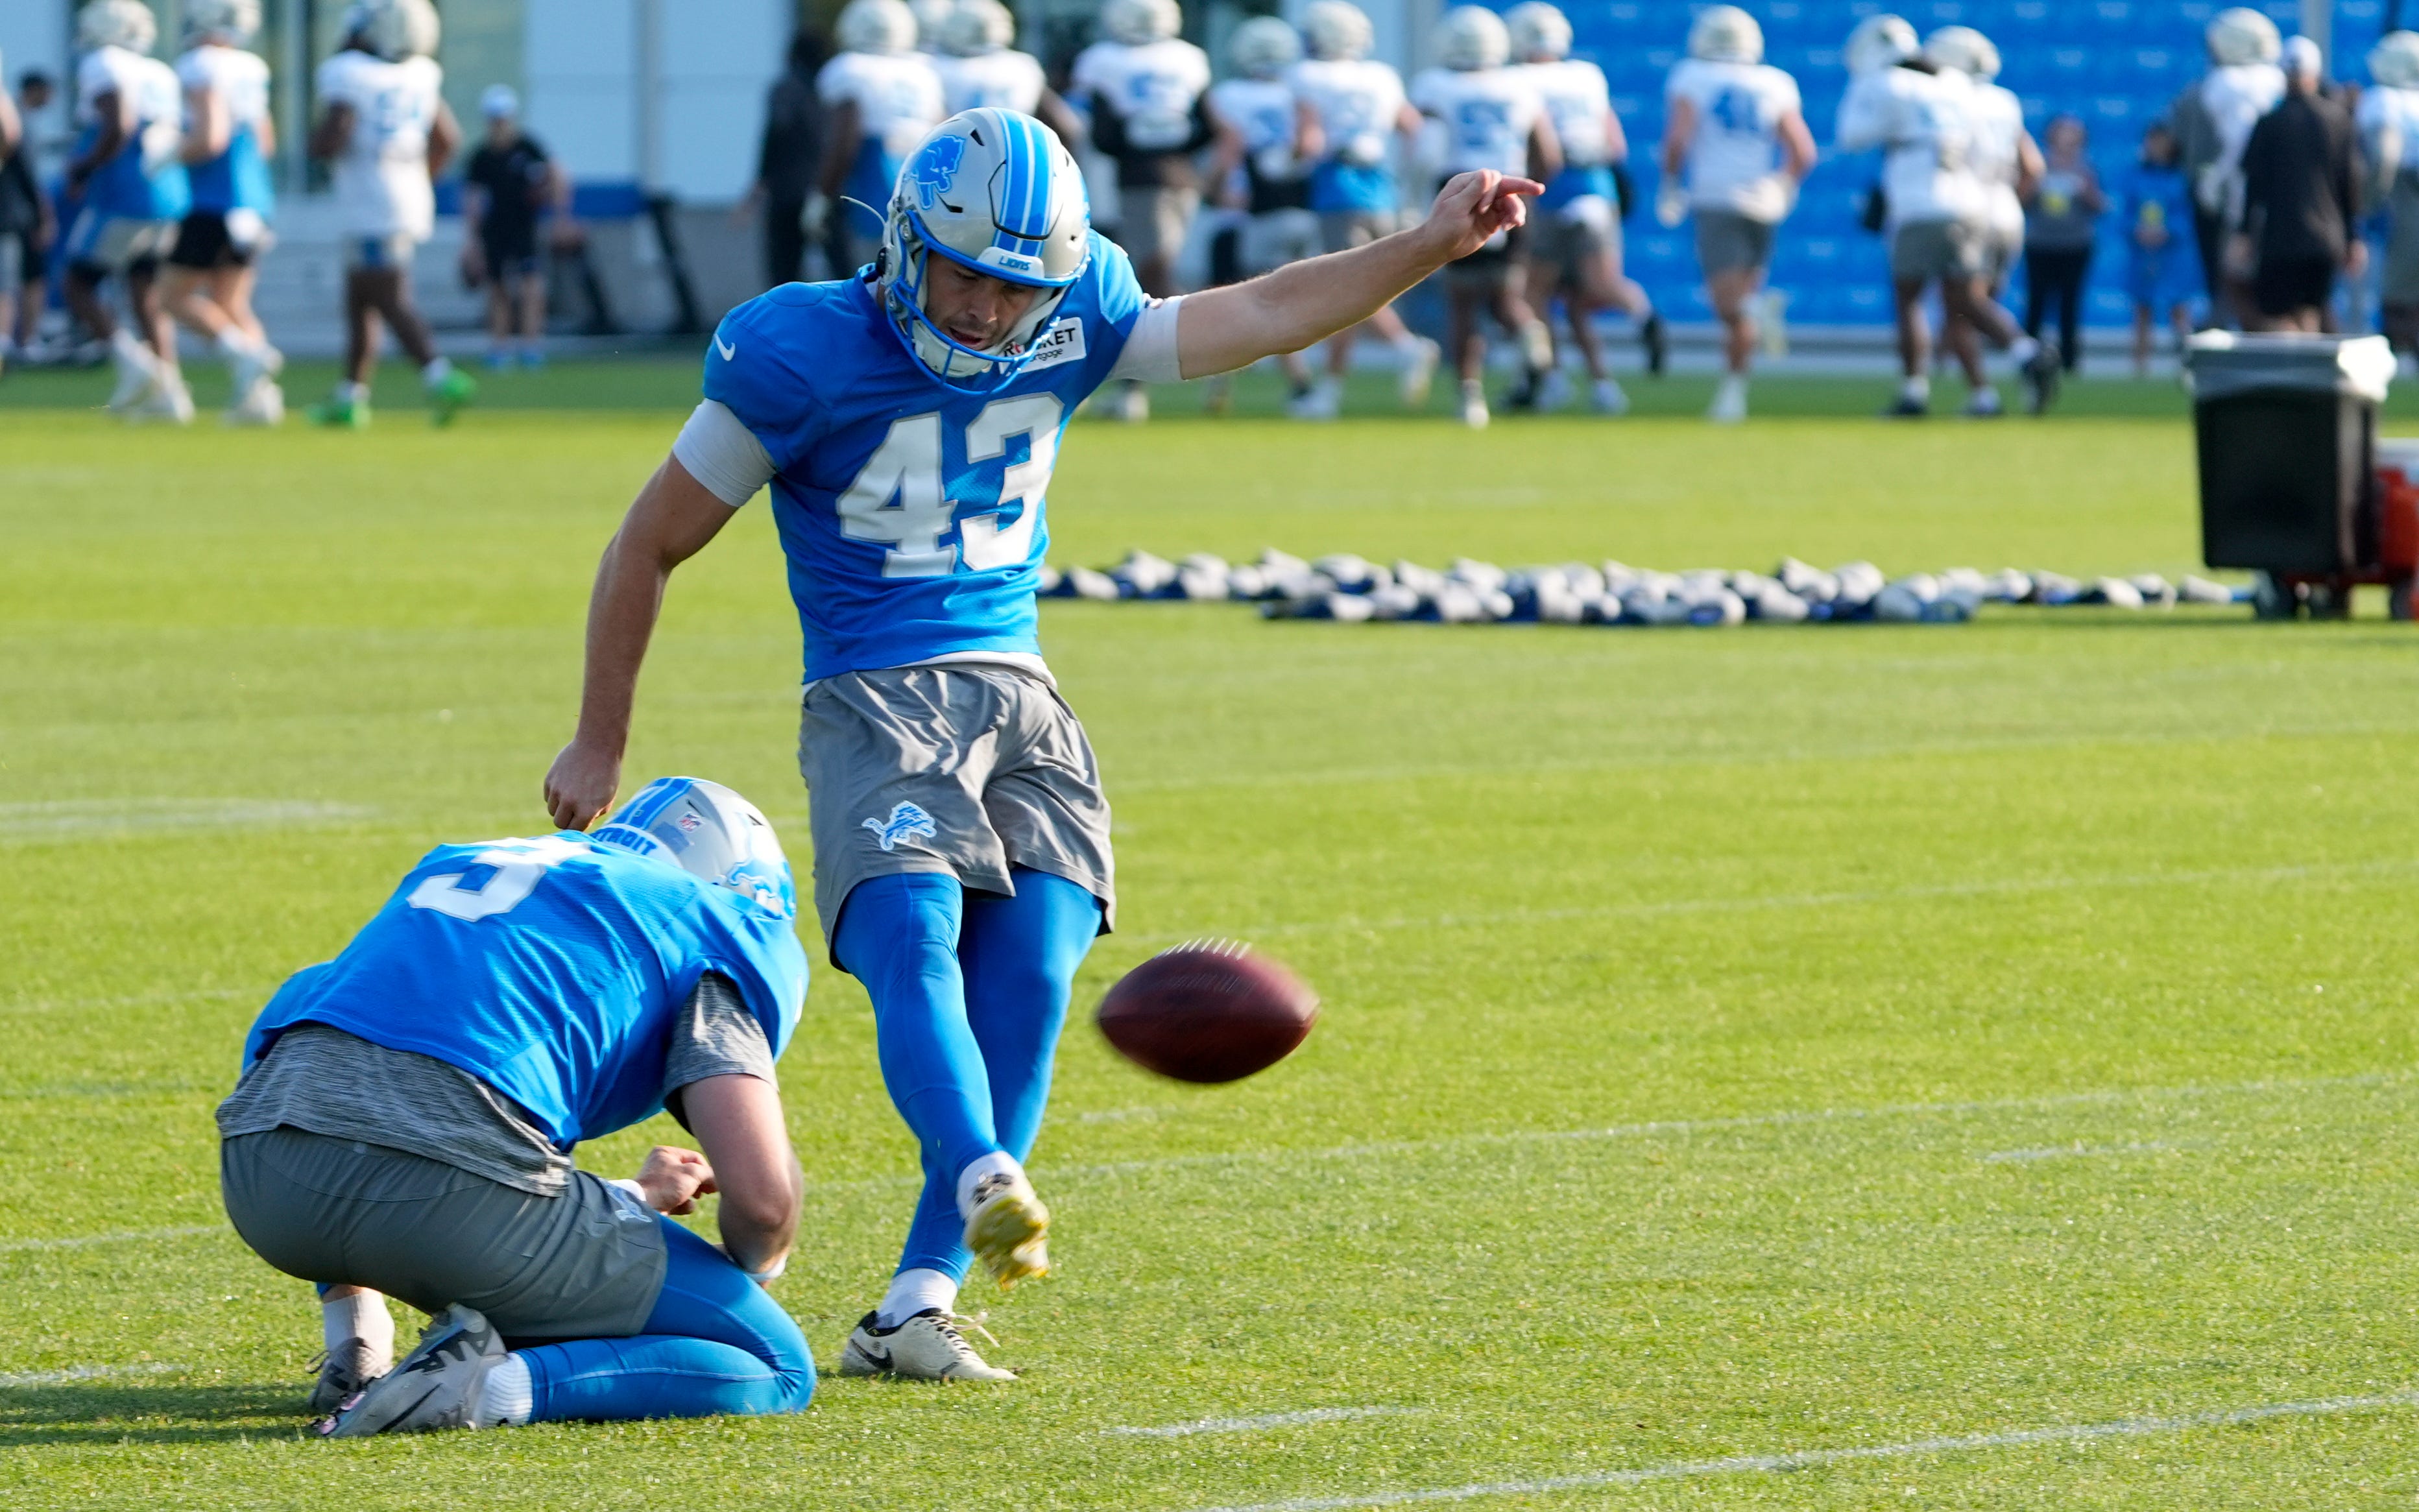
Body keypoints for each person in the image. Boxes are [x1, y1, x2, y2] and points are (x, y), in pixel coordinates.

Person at [539, 105, 1538, 1378]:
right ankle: (978, 1166)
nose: (984, 309)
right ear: (904, 244)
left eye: (1015, 286)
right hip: (876, 687)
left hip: (1022, 685)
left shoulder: (1075, 305)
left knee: (1039, 964)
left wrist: (1425, 245)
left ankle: (914, 1302)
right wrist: (598, 738)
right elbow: (650, 541)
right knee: (908, 934)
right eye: (963, 272)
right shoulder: (798, 349)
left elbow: (1263, 311)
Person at [218, 778, 813, 1435]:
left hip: (263, 1182)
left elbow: (296, 1043)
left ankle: (356, 1353)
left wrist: (352, 1320)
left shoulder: (472, 866)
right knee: (773, 1362)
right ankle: (481, 1388)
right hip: (446, 1204)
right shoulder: (706, 918)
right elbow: (764, 1202)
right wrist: (757, 1267)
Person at [1835, 14, 2054, 418]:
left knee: (1913, 299)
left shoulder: (1900, 86)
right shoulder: (1975, 94)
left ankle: (1916, 391)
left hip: (1927, 203)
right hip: (1978, 204)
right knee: (1964, 303)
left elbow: (1851, 136)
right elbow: (2015, 160)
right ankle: (2004, 375)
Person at [306, 0, 475, 428]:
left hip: (371, 200)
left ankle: (440, 375)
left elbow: (336, 133)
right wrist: (416, 176)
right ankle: (350, 396)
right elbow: (447, 140)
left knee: (387, 295)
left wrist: (317, 144)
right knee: (360, 296)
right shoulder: (419, 74)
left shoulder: (350, 72)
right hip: (402, 195)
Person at [1661, 3, 1812, 424]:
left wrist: (1671, 184)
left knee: (1727, 305)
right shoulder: (1775, 82)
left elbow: (1677, 140)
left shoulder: (1692, 76)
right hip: (1763, 202)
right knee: (1738, 306)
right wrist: (1781, 186)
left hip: (1718, 198)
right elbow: (1803, 152)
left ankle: (1755, 313)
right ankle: (1732, 396)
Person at [1511, 0, 1662, 416]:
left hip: (1550, 188)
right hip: (1597, 184)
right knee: (1590, 291)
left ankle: (1550, 376)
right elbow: (1616, 143)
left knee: (1533, 293)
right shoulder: (1587, 75)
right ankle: (1635, 324)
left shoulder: (1519, 79)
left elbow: (1538, 147)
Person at [1287, 0, 1438, 418]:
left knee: (1348, 289)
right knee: (1356, 288)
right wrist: (1412, 188)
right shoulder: (1381, 77)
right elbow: (1415, 132)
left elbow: (1310, 140)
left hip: (1339, 187)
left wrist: (1289, 159)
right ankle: (1333, 390)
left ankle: (1405, 348)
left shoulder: (1309, 76)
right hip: (1381, 188)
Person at [1412, 5, 1558, 429]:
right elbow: (1548, 154)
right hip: (1509, 196)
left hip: (1460, 195)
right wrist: (1527, 196)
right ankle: (1528, 331)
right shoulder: (1520, 87)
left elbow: (1426, 153)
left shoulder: (1436, 86)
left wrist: (1421, 198)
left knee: (1462, 304)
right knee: (1505, 295)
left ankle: (1470, 396)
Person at [1071, 0, 1212, 424]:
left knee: (1147, 278)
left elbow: (1102, 135)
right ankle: (1147, 380)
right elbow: (1204, 125)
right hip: (1181, 177)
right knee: (1154, 273)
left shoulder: (1104, 61)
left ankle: (1145, 383)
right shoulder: (1189, 59)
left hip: (1136, 179)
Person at [64, 0, 193, 422]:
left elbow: (118, 123)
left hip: (125, 194)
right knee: (145, 295)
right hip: (169, 194)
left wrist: (83, 166)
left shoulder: (104, 62)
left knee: (77, 285)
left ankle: (135, 364)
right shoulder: (160, 71)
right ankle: (171, 394)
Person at [165, 0, 281, 424]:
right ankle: (261, 402)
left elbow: (209, 138)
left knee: (172, 297)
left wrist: (167, 154)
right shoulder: (252, 67)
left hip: (214, 200)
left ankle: (249, 357)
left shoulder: (201, 63)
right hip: (255, 201)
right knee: (233, 304)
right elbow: (266, 142)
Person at [1203, 16, 1319, 414]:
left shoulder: (1229, 94)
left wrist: (1212, 187)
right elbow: (1310, 146)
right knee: (1274, 295)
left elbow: (1228, 148)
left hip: (1241, 208)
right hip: (1285, 204)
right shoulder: (1296, 95)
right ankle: (1293, 381)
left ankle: (1222, 379)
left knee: (1230, 297)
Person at [1928, 25, 2040, 409]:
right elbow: (2033, 167)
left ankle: (2024, 357)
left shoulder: (1950, 99)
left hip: (1966, 209)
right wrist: (2011, 201)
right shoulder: (2004, 100)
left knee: (1959, 304)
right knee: (1973, 305)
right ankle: (1986, 393)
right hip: (2006, 209)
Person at [2233, 35, 2362, 333]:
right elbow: (2350, 184)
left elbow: (2255, 186)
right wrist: (2354, 236)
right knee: (2314, 312)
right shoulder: (2339, 121)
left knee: (2279, 316)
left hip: (2280, 238)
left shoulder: (2269, 123)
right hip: (2327, 238)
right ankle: (2314, 375)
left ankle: (2291, 376)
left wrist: (2244, 233)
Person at [818, 0, 945, 281]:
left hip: (873, 173)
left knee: (871, 274)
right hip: (925, 174)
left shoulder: (849, 68)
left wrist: (823, 195)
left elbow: (845, 139)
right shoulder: (924, 71)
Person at [2177, 8, 2285, 328]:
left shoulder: (2219, 84)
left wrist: (2211, 186)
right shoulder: (2280, 82)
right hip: (2278, 200)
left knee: (2228, 278)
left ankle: (2224, 333)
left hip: (2229, 195)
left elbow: (2214, 150)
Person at [461, 86, 570, 371]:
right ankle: (500, 346)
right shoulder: (481, 157)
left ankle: (531, 346)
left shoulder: (528, 148)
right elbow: (472, 200)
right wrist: (472, 241)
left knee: (531, 285)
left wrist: (561, 217)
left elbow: (557, 176)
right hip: (495, 229)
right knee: (498, 288)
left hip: (525, 228)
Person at [933, 0, 1083, 144]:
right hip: (1016, 154)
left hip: (957, 155)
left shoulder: (934, 67)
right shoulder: (1022, 66)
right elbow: (1067, 127)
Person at [2021, 114, 2102, 374]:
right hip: (2041, 245)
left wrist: (2086, 191)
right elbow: (2022, 201)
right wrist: (2033, 184)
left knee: (2070, 304)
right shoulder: (2037, 166)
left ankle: (2069, 361)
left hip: (2075, 246)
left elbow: (2100, 206)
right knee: (2036, 304)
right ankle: (2027, 358)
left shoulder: (2086, 168)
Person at [2121, 119, 2201, 377]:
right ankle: (2140, 366)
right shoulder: (2136, 177)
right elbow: (2125, 215)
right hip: (2143, 255)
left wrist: (2169, 231)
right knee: (2142, 310)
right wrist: (2137, 230)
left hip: (2173, 256)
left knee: (2179, 310)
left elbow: (2186, 217)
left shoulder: (2180, 178)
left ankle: (2187, 364)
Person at [744, 33, 825, 289]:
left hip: (787, 188)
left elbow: (774, 133)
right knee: (842, 266)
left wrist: (761, 179)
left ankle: (785, 322)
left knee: (783, 268)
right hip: (827, 188)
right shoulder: (832, 89)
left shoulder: (785, 89)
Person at [2359, 30, 2419, 362]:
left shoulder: (2383, 100)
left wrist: (2368, 202)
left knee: (2395, 292)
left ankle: (2391, 362)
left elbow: (2384, 156)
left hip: (2401, 201)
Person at [3, 70, 58, 361]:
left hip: (19, 213)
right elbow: (27, 174)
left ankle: (25, 340)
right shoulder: (15, 119)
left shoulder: (19, 119)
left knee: (30, 278)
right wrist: (42, 216)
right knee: (13, 280)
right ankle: (14, 342)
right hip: (14, 215)